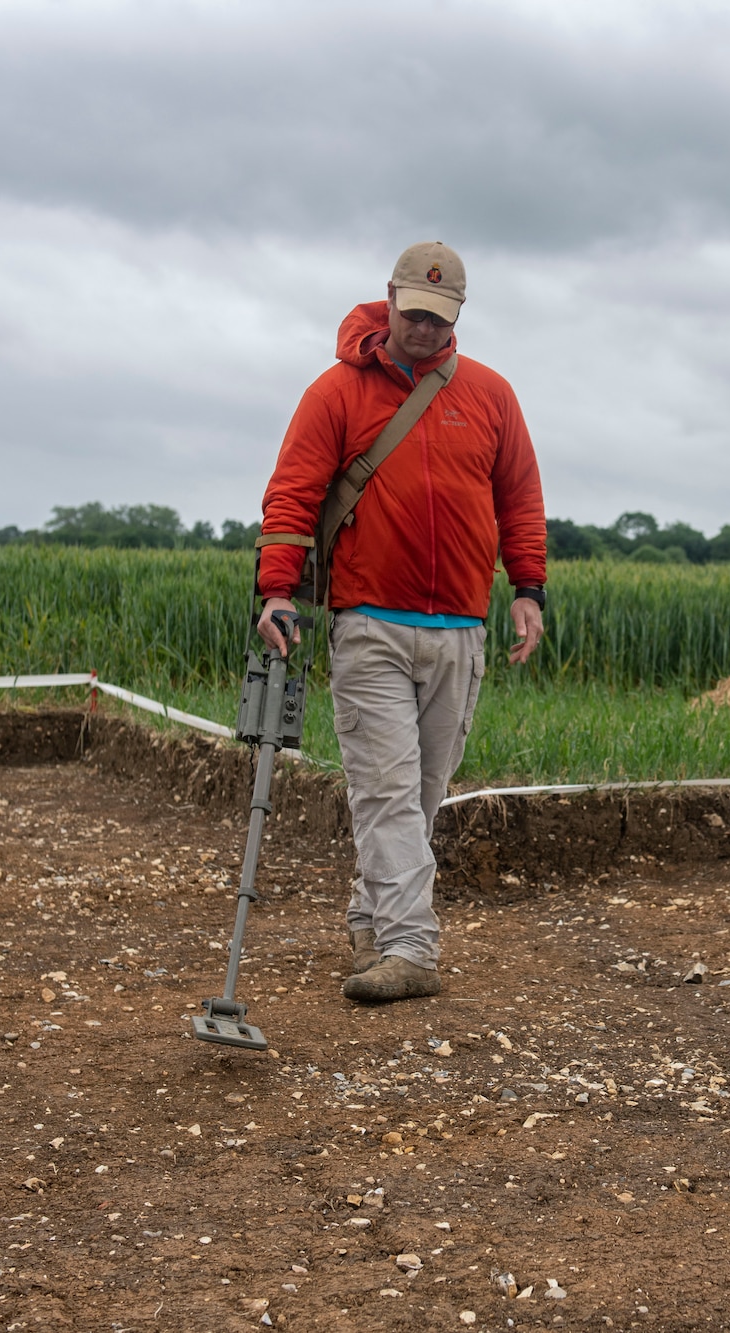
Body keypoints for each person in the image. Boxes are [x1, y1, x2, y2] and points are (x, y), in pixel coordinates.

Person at [253, 241, 547, 1004]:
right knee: (383, 789)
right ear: (389, 298)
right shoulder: (336, 393)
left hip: (460, 626)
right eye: (414, 314)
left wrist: (528, 589)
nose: (425, 330)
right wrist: (276, 589)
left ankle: (369, 914)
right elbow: (290, 493)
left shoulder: (491, 395)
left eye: (440, 319)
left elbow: (519, 496)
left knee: (419, 792)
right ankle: (412, 946)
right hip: (369, 625)